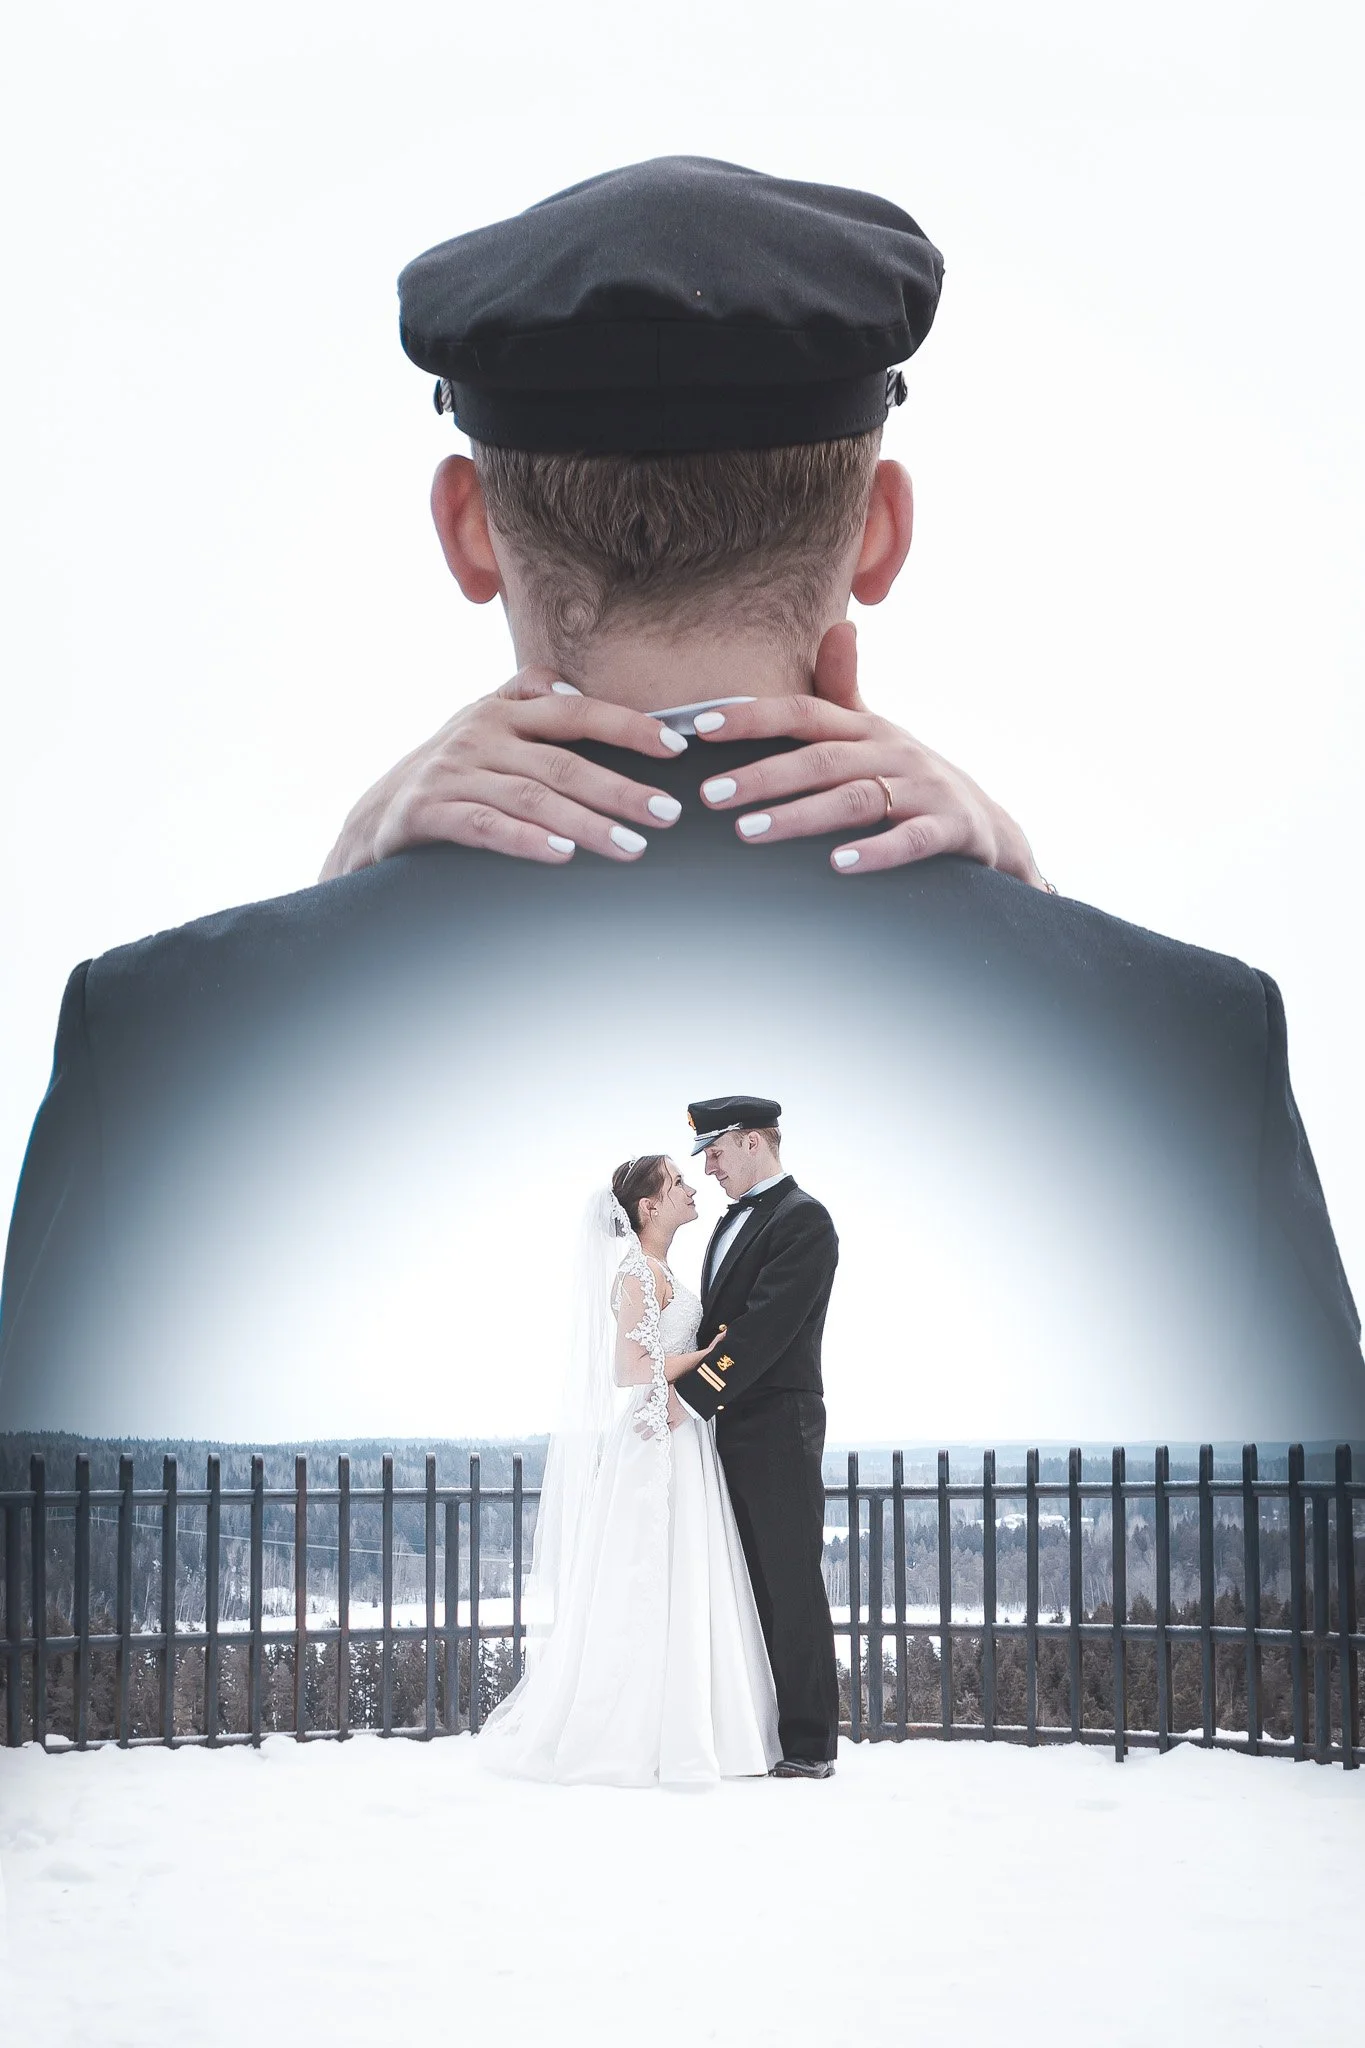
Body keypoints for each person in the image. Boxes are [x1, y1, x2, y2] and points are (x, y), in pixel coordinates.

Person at [3, 157, 1360, 1469]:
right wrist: (1042, 932)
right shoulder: (1191, 1034)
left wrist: (320, 920)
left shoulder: (154, 1031)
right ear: (881, 528)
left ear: (468, 525)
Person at [480, 1154, 782, 1787]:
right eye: (677, 1183)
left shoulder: (661, 1268)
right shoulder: (637, 1274)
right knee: (646, 1571)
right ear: (649, 1208)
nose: (690, 1187)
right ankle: (634, 1729)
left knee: (682, 1573)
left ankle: (687, 1721)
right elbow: (627, 1369)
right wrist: (706, 1356)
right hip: (655, 1439)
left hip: (678, 1433)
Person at [674, 1097, 842, 1776]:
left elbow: (766, 1328)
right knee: (738, 1583)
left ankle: (807, 1746)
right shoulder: (729, 1223)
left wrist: (687, 1399)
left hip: (775, 1423)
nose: (708, 1167)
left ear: (751, 1142)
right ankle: (753, 1732)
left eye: (714, 1151)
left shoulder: (804, 1220)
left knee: (787, 1581)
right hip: (725, 1420)